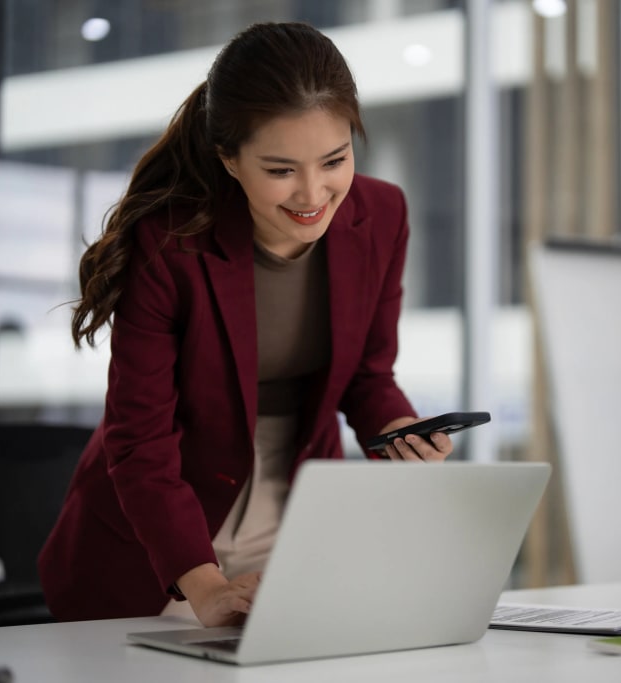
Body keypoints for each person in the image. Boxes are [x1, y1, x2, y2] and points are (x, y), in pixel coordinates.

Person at [38, 21, 453, 626]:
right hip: (161, 537)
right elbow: (140, 440)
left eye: (335, 160)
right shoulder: (169, 245)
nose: (314, 192)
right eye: (281, 169)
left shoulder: (382, 214)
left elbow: (367, 374)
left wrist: (400, 429)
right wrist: (203, 583)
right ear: (228, 160)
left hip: (296, 512)